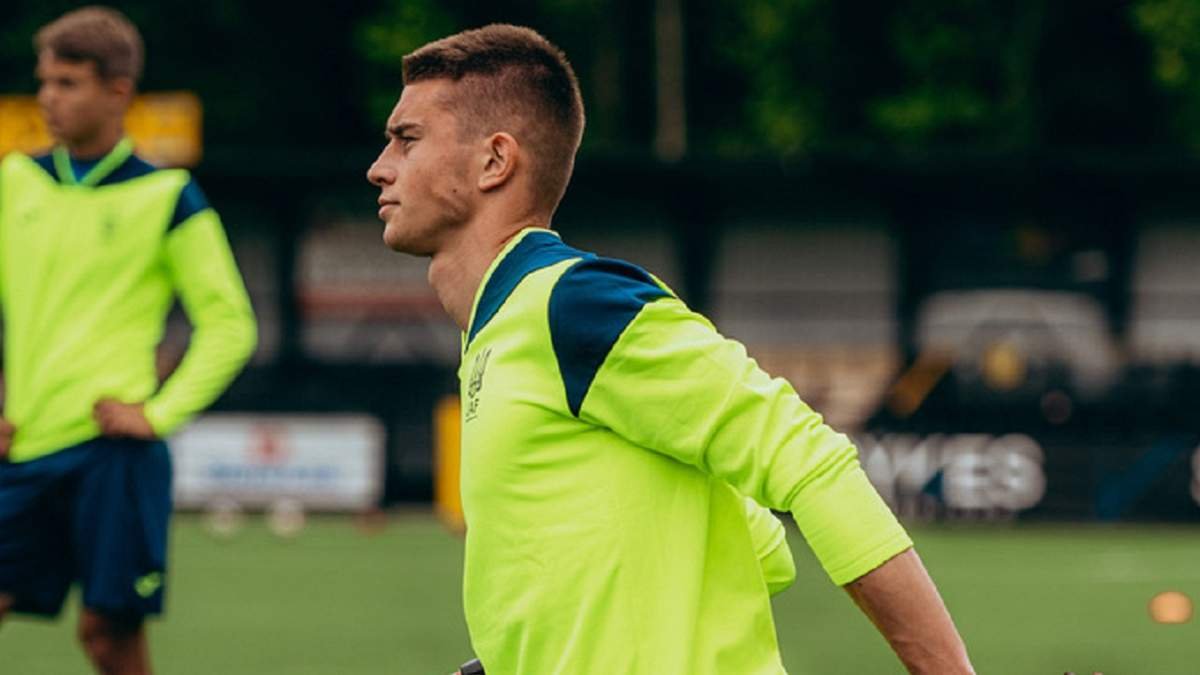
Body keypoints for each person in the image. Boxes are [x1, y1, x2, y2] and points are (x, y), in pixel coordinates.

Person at [369, 24, 973, 674]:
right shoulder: (498, 329)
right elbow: (764, 550)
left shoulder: (572, 304)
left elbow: (810, 461)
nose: (380, 166)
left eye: (408, 139)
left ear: (495, 161)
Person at [0, 7, 257, 674]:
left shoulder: (168, 194)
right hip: (23, 445)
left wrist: (159, 413)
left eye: (67, 83)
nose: (48, 98)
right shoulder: (14, 180)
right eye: (44, 82)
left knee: (107, 635)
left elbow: (231, 323)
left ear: (117, 91)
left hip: (113, 453)